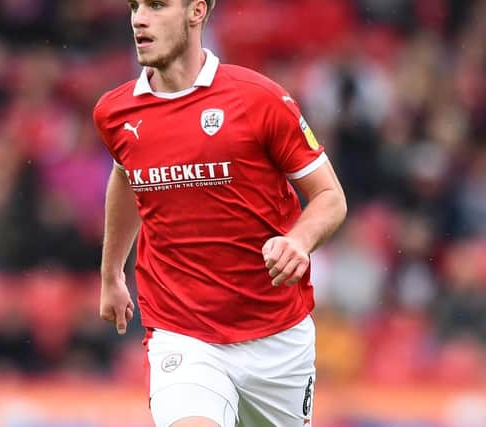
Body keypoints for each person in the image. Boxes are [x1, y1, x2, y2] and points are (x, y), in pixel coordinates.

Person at [92, 1, 347, 426]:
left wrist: (298, 241)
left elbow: (329, 197)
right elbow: (125, 176)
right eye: (135, 6)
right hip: (182, 332)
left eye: (156, 5)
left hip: (277, 337)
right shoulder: (115, 112)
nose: (139, 18)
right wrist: (111, 272)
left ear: (196, 12)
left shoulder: (259, 99)